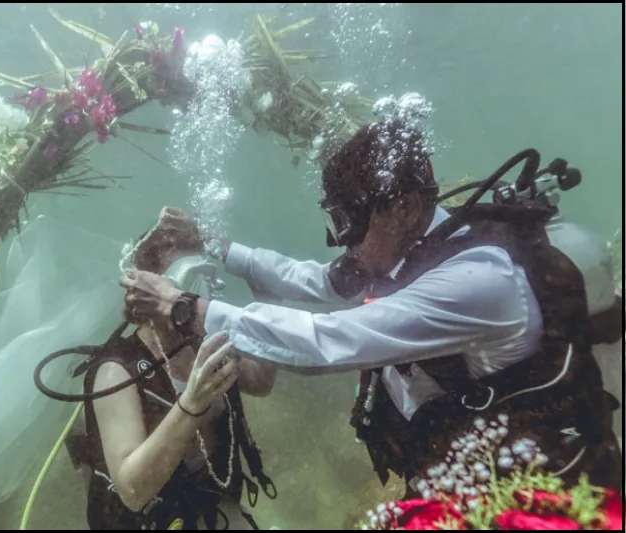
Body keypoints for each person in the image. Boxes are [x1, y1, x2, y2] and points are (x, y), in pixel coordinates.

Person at [119, 118, 624, 495]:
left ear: (402, 208)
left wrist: (185, 307)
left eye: (349, 221)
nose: (343, 243)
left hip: (529, 491)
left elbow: (328, 343)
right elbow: (312, 280)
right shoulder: (415, 249)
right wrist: (212, 243)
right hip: (460, 470)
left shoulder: (475, 282)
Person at [63, 222, 278, 531]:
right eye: (189, 281)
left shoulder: (205, 343)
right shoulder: (116, 372)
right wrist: (192, 403)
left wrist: (270, 309)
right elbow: (132, 491)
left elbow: (260, 383)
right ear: (146, 292)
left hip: (212, 505)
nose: (196, 296)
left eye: (206, 278)